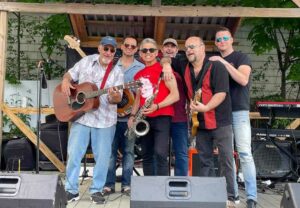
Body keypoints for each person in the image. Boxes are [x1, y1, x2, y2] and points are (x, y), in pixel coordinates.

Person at [162, 36, 236, 207]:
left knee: (226, 159)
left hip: (221, 121)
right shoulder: (183, 64)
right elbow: (166, 57)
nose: (189, 50)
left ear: (203, 48)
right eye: (187, 47)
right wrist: (166, 65)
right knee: (204, 159)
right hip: (199, 122)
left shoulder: (217, 66)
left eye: (193, 47)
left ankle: (231, 196)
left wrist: (206, 107)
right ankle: (208, 195)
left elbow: (221, 93)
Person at [62, 36, 123, 204]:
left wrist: (114, 96)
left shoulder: (117, 72)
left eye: (112, 50)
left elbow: (117, 100)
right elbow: (69, 74)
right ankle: (71, 190)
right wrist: (66, 81)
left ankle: (96, 190)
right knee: (74, 154)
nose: (108, 52)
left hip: (104, 120)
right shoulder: (86, 61)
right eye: (106, 48)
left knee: (103, 158)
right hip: (81, 117)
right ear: (99, 48)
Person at [209, 27, 257, 208]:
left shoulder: (241, 58)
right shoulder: (213, 60)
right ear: (215, 42)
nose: (221, 41)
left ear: (231, 40)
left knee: (244, 153)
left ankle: (252, 197)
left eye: (224, 38)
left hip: (239, 111)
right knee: (225, 156)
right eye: (218, 39)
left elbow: (243, 80)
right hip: (221, 112)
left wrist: (223, 62)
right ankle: (232, 195)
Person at [128, 38, 179, 176]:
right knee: (146, 154)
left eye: (151, 50)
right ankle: (149, 187)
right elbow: (138, 99)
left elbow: (175, 95)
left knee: (160, 153)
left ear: (157, 52)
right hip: (144, 118)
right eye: (144, 50)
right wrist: (132, 116)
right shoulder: (138, 74)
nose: (148, 52)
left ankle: (162, 188)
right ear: (140, 53)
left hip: (162, 116)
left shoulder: (165, 70)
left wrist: (157, 106)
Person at [103, 37, 144, 196]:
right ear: (122, 47)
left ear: (136, 49)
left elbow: (140, 95)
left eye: (133, 46)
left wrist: (133, 116)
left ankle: (127, 185)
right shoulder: (111, 65)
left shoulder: (140, 67)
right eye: (126, 45)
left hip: (130, 118)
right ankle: (108, 185)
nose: (129, 48)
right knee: (110, 152)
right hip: (111, 117)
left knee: (128, 152)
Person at [161, 38, 189, 176]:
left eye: (173, 47)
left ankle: (181, 183)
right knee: (160, 153)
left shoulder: (184, 64)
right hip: (161, 117)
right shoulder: (157, 64)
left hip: (179, 117)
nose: (170, 49)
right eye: (167, 46)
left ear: (177, 50)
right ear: (162, 49)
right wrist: (165, 64)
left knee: (181, 153)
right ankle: (161, 183)